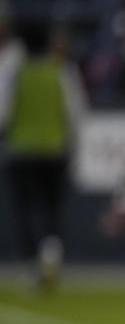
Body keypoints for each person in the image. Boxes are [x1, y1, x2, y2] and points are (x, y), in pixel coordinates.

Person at [1, 22, 85, 292]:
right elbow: (76, 112)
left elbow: (3, 112)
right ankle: (50, 250)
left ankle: (29, 264)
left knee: (24, 209)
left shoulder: (15, 72)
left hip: (21, 151)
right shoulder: (61, 70)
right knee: (51, 207)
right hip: (54, 150)